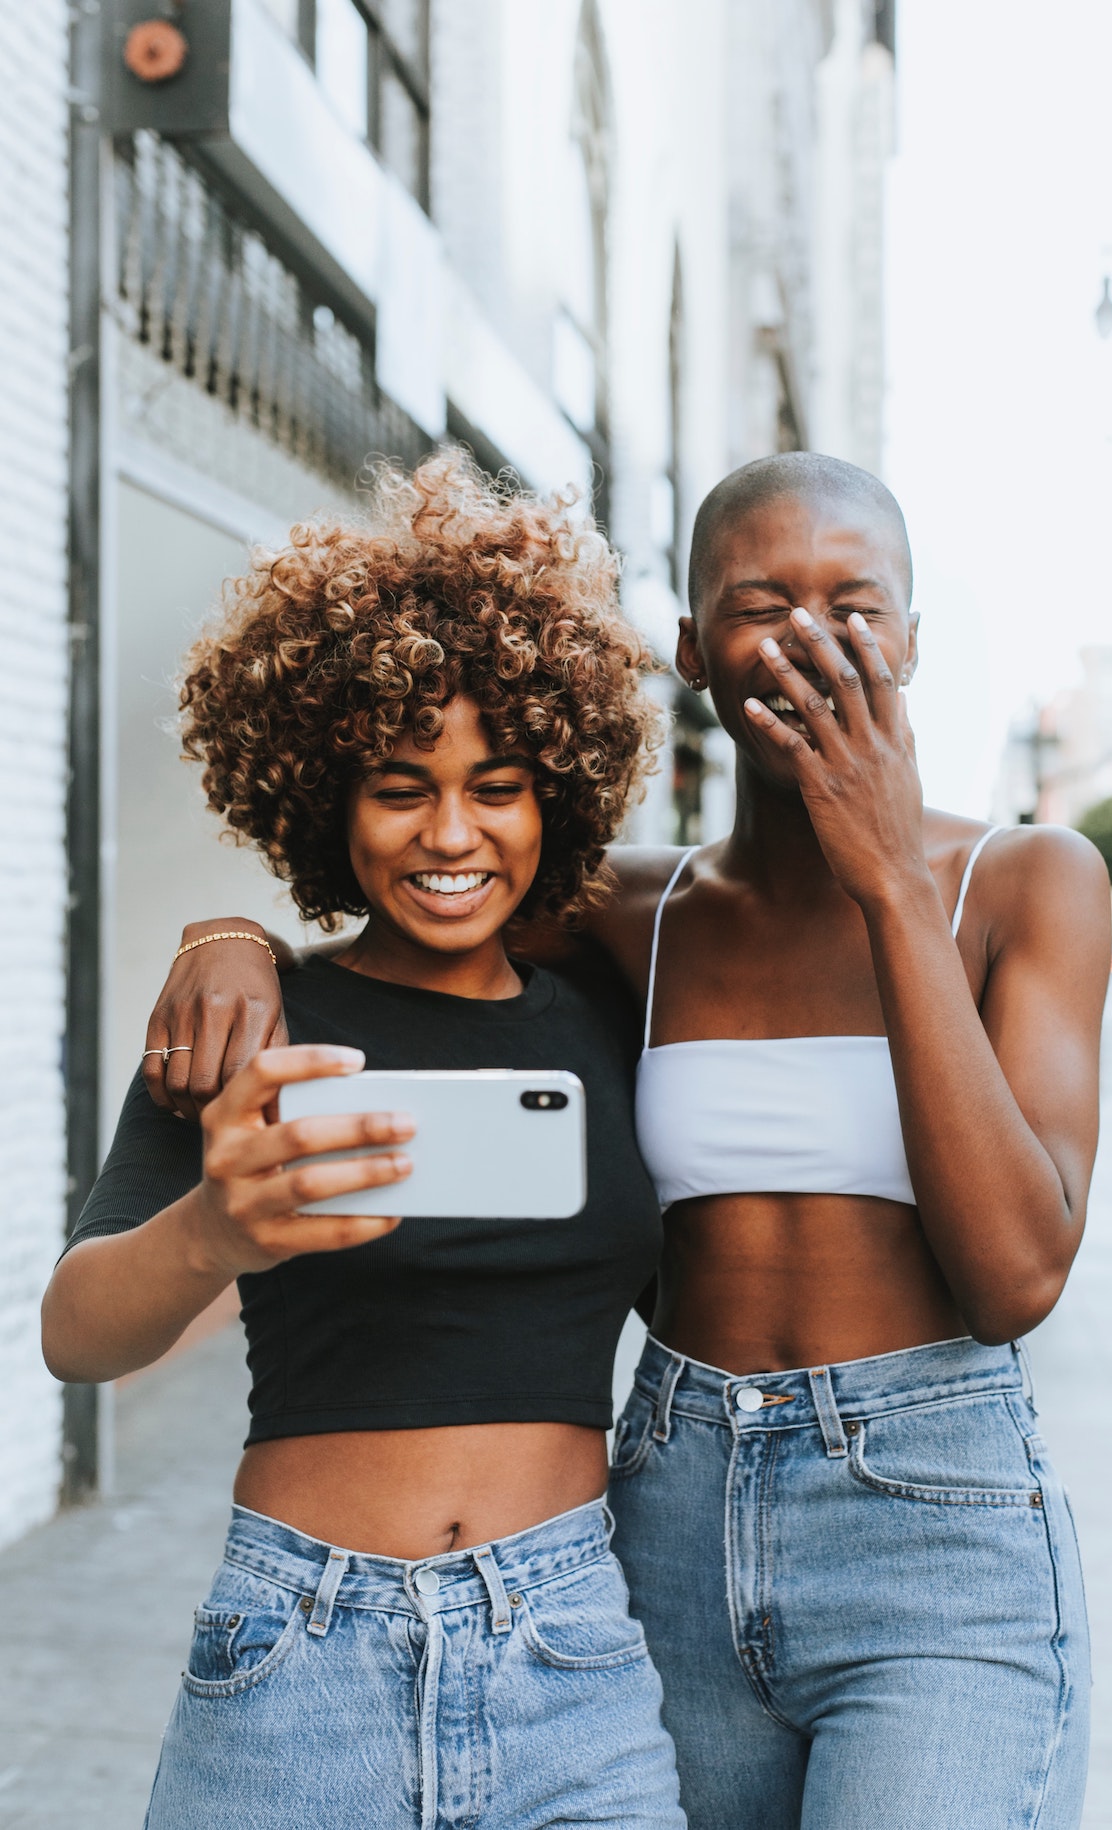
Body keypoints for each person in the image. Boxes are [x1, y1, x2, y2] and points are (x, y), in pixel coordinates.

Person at [143, 452, 1112, 1830]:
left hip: (932, 1519)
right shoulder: (632, 914)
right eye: (760, 601)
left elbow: (1017, 1275)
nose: (812, 639)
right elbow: (416, 890)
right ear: (689, 649)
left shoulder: (1025, 881)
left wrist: (890, 879)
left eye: (859, 605)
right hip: (670, 1502)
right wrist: (226, 934)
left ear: (910, 641)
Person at [41, 455, 687, 1830]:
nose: (452, 833)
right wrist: (214, 1229)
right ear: (323, 795)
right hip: (296, 1656)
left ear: (556, 794)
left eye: (498, 784)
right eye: (402, 787)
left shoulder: (618, 1025)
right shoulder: (250, 1024)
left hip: (569, 1655)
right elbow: (76, 1335)